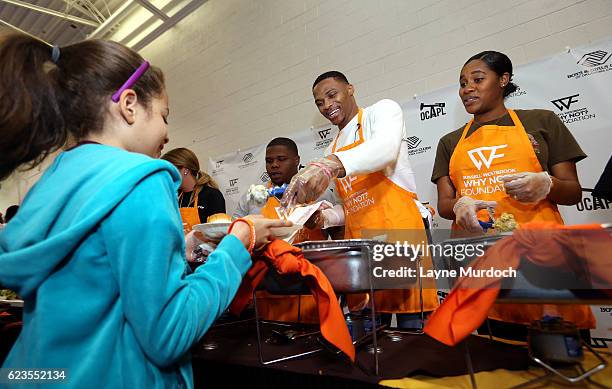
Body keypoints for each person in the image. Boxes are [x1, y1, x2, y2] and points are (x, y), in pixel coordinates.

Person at [0, 33, 289, 388]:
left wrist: (176, 254)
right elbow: (168, 332)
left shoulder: (49, 184)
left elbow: (96, 278)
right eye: (165, 116)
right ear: (129, 104)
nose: (167, 133)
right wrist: (237, 244)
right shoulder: (140, 181)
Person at [431, 50, 594, 337]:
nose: (467, 88)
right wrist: (460, 205)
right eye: (462, 82)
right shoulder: (449, 142)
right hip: (482, 264)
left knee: (559, 358)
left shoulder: (542, 122)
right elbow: (444, 203)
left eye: (477, 79)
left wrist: (548, 184)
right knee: (496, 362)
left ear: (503, 79)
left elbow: (573, 192)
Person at [282, 71, 439, 329]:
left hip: (400, 239)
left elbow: (384, 150)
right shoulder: (330, 149)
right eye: (319, 102)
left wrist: (331, 166)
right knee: (369, 338)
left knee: (414, 330)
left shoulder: (382, 113)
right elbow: (352, 203)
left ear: (351, 89)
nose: (327, 105)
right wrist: (324, 218)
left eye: (332, 95)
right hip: (361, 252)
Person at [234, 137, 343, 322]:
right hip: (268, 294)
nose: (274, 165)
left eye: (281, 159)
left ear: (297, 161)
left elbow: (339, 237)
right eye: (269, 161)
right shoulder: (251, 197)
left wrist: (340, 284)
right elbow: (237, 239)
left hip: (310, 291)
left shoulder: (319, 193)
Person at [161, 147, 225, 232]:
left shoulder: (211, 195)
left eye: (170, 171)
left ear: (185, 170)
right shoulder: (174, 197)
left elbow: (219, 233)